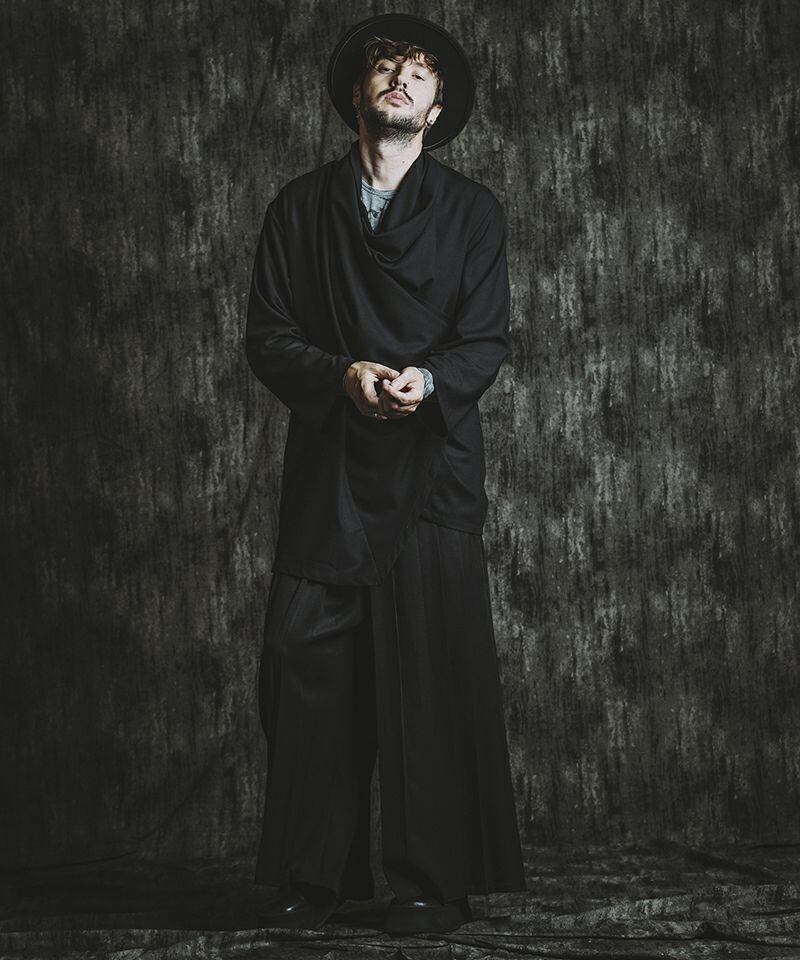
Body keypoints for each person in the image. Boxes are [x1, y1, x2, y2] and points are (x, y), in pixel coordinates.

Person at [244, 12, 527, 936]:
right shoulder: (298, 209)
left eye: (420, 71)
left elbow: (484, 338)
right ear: (355, 95)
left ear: (438, 108)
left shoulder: (474, 213)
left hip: (433, 467)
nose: (401, 78)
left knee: (427, 671)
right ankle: (309, 876)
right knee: (302, 658)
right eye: (384, 66)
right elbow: (268, 335)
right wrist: (342, 376)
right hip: (332, 464)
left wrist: (427, 381)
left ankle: (430, 883)